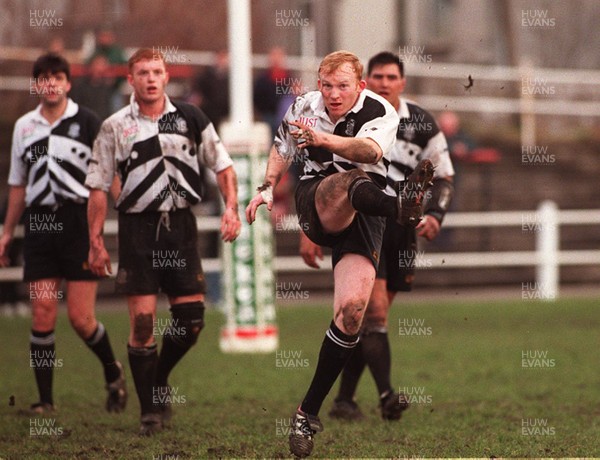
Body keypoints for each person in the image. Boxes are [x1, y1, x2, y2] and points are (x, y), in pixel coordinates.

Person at [245, 50, 434, 458]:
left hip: (367, 210)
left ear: (360, 86)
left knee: (351, 316)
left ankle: (305, 414)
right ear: (318, 83)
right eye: (326, 85)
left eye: (343, 86)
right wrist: (265, 186)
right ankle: (400, 205)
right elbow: (282, 146)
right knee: (347, 180)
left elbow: (370, 152)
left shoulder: (380, 110)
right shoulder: (304, 106)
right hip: (318, 199)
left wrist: (323, 138)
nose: (333, 94)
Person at [85, 48, 241, 436]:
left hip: (182, 229)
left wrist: (232, 208)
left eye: (157, 71)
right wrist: (95, 241)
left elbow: (222, 164)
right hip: (137, 230)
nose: (151, 78)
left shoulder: (191, 117)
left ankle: (158, 377)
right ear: (131, 78)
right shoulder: (114, 127)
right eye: (143, 73)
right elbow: (98, 187)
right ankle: (149, 412)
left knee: (190, 323)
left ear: (166, 76)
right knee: (142, 322)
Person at [300, 51, 455, 422]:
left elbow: (445, 174)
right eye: (379, 77)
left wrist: (436, 213)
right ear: (369, 81)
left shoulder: (421, 121)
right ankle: (386, 395)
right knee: (373, 309)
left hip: (404, 225)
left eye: (392, 77)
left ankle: (344, 398)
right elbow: (316, 170)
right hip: (366, 214)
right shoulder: (352, 113)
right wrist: (309, 229)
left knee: (370, 316)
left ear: (402, 82)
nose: (385, 83)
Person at [0, 53, 127, 415]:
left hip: (78, 223)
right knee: (42, 311)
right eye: (43, 78)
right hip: (39, 225)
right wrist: (7, 232)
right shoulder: (24, 127)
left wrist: (126, 212)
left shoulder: (87, 121)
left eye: (57, 77)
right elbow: (17, 184)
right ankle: (45, 402)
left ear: (68, 83)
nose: (50, 83)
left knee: (80, 319)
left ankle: (112, 371)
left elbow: (108, 174)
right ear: (36, 85)